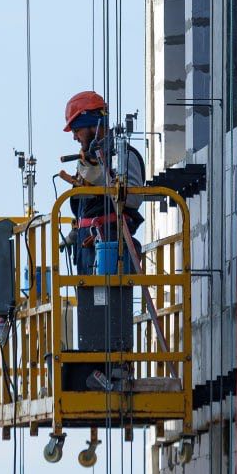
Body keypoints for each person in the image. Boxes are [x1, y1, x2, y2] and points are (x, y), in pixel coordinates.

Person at [57, 90, 146, 388]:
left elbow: (131, 199)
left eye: (77, 129)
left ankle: (117, 368)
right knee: (90, 310)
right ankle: (96, 369)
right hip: (89, 247)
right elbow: (85, 205)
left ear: (92, 122)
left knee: (111, 307)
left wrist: (107, 177)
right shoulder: (90, 161)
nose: (74, 138)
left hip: (111, 246)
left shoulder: (123, 156)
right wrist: (73, 234)